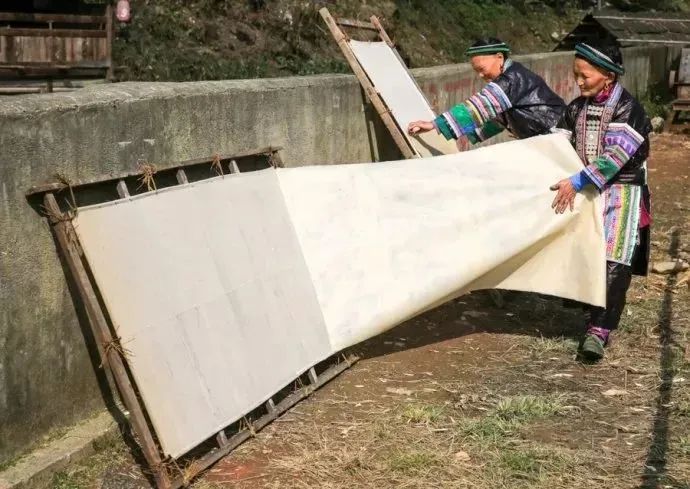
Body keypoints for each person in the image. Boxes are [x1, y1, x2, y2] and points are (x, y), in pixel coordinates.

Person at [550, 42, 652, 361]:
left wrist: (576, 181)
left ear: (608, 75)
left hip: (621, 191)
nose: (579, 81)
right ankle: (589, 310)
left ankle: (599, 330)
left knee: (614, 256)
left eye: (586, 75)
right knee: (585, 250)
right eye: (576, 75)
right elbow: (558, 144)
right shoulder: (576, 108)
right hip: (586, 189)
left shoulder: (629, 109)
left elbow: (615, 157)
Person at [407, 37, 565, 145]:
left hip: (558, 137)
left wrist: (435, 124)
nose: (480, 75)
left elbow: (480, 106)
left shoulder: (511, 79)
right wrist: (459, 132)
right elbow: (496, 118)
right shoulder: (514, 76)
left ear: (499, 57)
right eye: (476, 71)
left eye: (482, 69)